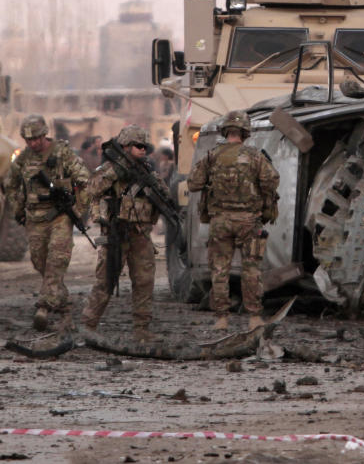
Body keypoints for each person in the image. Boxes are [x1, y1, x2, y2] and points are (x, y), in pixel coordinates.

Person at [187, 110, 279, 331]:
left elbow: (193, 183)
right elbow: (271, 181)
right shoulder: (255, 156)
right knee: (251, 269)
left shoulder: (212, 156)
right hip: (249, 221)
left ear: (225, 131)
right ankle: (254, 318)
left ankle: (221, 319)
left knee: (219, 270)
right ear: (246, 132)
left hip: (220, 222)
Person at [81, 125, 170, 341]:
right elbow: (90, 188)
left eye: (145, 146)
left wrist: (155, 188)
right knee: (105, 280)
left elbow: (165, 196)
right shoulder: (109, 169)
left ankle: (141, 330)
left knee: (144, 281)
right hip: (115, 234)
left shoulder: (146, 170)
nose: (143, 150)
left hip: (140, 234)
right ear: (125, 147)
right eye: (138, 146)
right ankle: (88, 326)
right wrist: (116, 171)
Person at [2, 114, 90, 330]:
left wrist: (78, 209)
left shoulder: (63, 153)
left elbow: (84, 179)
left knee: (56, 260)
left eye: (37, 139)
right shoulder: (23, 159)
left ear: (45, 135)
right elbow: (10, 184)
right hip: (34, 218)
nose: (33, 143)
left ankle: (43, 307)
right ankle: (65, 310)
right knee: (40, 262)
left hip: (59, 216)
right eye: (29, 140)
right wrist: (17, 208)